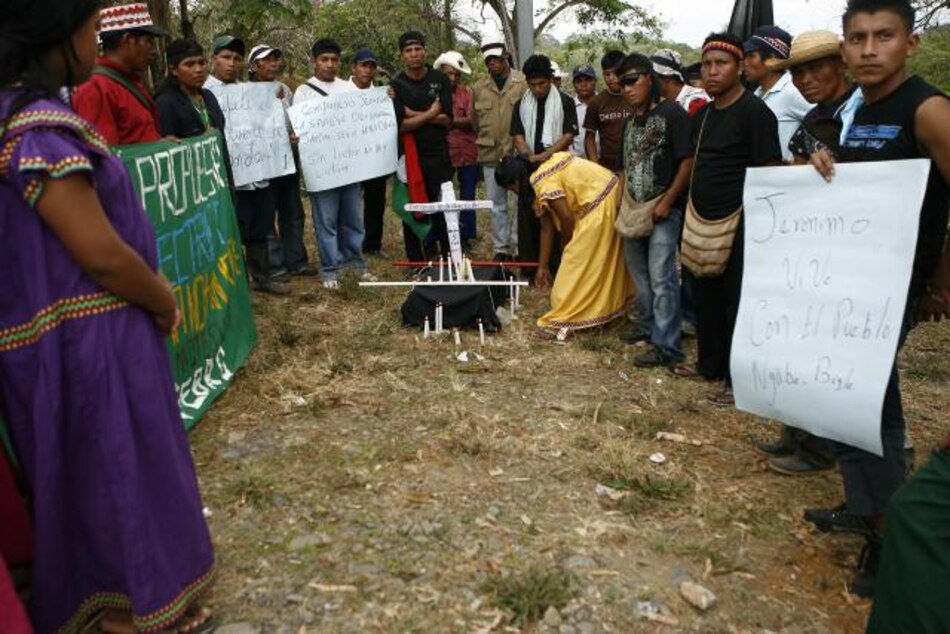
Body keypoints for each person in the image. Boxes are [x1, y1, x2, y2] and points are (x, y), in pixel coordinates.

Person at [0, 1, 216, 631]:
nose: (98, 43)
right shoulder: (38, 131)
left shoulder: (21, 117)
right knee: (115, 468)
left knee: (85, 468)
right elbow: (97, 252)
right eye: (93, 30)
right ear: (57, 36)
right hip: (90, 334)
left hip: (64, 334)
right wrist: (161, 297)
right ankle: (131, 608)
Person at [805, 0, 949, 598]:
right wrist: (826, 165)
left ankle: (889, 540)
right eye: (858, 37)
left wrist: (940, 279)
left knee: (868, 404)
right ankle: (866, 506)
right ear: (844, 47)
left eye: (883, 36)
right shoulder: (862, 109)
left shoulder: (929, 108)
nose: (869, 49)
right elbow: (867, 185)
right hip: (854, 278)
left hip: (896, 283)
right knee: (849, 395)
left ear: (910, 43)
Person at [755, 30, 856, 477]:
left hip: (843, 251)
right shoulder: (815, 115)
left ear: (841, 65)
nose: (806, 79)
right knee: (795, 342)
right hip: (804, 245)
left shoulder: (858, 113)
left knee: (826, 352)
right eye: (798, 72)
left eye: (816, 68)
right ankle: (796, 433)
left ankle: (820, 448)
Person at [670, 33, 782, 402]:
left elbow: (769, 170)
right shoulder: (702, 115)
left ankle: (738, 381)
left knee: (738, 302)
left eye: (721, 64)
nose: (712, 71)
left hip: (742, 223)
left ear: (740, 68)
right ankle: (709, 365)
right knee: (706, 297)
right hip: (703, 220)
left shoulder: (755, 113)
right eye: (707, 64)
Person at [495, 153, 631, 337]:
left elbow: (567, 219)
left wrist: (565, 248)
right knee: (596, 266)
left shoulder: (541, 180)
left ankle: (564, 320)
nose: (515, 193)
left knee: (574, 268)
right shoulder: (544, 170)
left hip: (599, 207)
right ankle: (596, 313)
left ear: (516, 181)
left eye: (511, 189)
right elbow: (547, 228)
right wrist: (542, 267)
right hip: (609, 196)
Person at [616, 54, 691, 369]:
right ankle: (648, 327)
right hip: (633, 208)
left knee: (662, 276)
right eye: (622, 84)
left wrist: (667, 201)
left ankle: (668, 346)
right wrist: (620, 203)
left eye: (632, 81)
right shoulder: (630, 121)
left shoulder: (673, 113)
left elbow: (687, 161)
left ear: (650, 78)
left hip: (664, 207)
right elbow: (624, 167)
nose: (627, 88)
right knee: (640, 275)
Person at [205, 37, 288, 295]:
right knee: (231, 228)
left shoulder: (251, 90)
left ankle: (262, 278)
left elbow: (266, 124)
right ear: (214, 59)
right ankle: (235, 285)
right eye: (226, 57)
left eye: (236, 59)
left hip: (256, 170)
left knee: (260, 225)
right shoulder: (204, 91)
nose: (231, 64)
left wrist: (274, 103)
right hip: (226, 176)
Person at [294, 38, 374, 289]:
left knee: (353, 219)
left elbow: (362, 124)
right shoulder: (303, 92)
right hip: (321, 169)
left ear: (340, 62)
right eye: (324, 60)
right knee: (326, 221)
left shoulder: (349, 89)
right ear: (314, 61)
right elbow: (300, 128)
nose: (329, 64)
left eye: (334, 60)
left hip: (349, 167)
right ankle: (331, 270)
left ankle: (356, 265)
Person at [247, 44, 317, 278]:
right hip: (262, 163)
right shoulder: (242, 93)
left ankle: (296, 260)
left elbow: (294, 119)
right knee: (266, 214)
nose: (273, 63)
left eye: (275, 59)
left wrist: (296, 134)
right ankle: (276, 265)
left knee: (292, 210)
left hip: (288, 160)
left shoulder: (285, 89)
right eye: (267, 60)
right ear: (254, 66)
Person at [510, 55, 578, 270]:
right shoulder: (521, 104)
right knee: (529, 217)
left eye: (541, 84)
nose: (537, 89)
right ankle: (531, 268)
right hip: (528, 168)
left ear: (550, 80)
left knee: (556, 218)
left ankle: (557, 267)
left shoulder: (565, 102)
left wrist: (544, 157)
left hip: (557, 168)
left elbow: (568, 135)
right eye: (532, 85)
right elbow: (517, 135)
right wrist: (529, 156)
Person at [390, 30, 453, 262]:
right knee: (413, 206)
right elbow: (400, 126)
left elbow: (447, 120)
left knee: (442, 206)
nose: (414, 54)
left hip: (438, 153)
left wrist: (414, 114)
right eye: (408, 50)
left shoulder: (440, 79)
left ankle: (447, 255)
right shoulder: (396, 85)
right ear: (402, 55)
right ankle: (417, 260)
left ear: (425, 51)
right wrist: (431, 113)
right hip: (409, 156)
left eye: (418, 49)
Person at [71, 2, 167, 145]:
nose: (154, 52)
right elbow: (101, 152)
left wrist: (162, 145)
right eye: (149, 42)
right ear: (128, 40)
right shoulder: (95, 88)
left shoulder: (131, 82)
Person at [472, 43, 527, 261]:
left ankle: (519, 246)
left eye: (496, 58)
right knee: (496, 205)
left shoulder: (522, 83)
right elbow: (475, 122)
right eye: (488, 60)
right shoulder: (479, 87)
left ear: (506, 57)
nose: (492, 63)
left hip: (517, 153)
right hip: (490, 154)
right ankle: (501, 249)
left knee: (521, 202)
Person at [743, 26, 812, 162]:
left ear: (772, 59)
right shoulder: (756, 94)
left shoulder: (792, 91)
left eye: (751, 56)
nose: (744, 63)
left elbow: (823, 123)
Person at [435, 50, 479, 251]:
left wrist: (449, 121)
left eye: (456, 74)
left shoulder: (467, 93)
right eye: (448, 73)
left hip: (468, 151)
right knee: (442, 195)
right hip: (443, 152)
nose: (452, 78)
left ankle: (466, 236)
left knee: (467, 195)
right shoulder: (433, 94)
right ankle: (442, 235)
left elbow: (472, 120)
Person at [349, 48, 389, 256]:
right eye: (363, 65)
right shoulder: (340, 92)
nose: (367, 70)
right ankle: (351, 244)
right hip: (348, 157)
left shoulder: (382, 94)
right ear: (354, 68)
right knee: (350, 202)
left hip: (375, 157)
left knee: (375, 201)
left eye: (371, 66)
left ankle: (372, 244)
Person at [155, 39, 226, 141]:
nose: (198, 69)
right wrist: (201, 140)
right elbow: (166, 145)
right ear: (174, 70)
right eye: (189, 64)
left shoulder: (209, 96)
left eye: (202, 63)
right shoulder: (166, 103)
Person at [583, 50, 634, 172]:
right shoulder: (596, 102)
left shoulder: (635, 97)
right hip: (607, 169)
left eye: (615, 73)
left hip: (634, 168)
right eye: (607, 74)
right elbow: (589, 138)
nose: (611, 78)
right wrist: (596, 168)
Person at [650, 48, 709, 115]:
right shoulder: (659, 102)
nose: (649, 82)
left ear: (667, 77)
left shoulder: (696, 102)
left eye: (652, 77)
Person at [570, 64, 597, 158]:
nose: (583, 84)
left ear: (595, 81)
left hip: (604, 160)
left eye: (588, 80)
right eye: (579, 81)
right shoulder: (569, 107)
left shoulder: (603, 103)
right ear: (574, 84)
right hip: (577, 161)